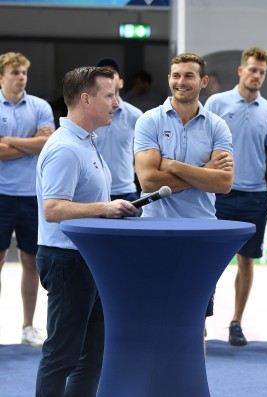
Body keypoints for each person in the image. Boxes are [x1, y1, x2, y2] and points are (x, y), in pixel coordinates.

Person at [35, 66, 138, 396]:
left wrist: (110, 210)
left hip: (89, 260)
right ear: (85, 99)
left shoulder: (86, 142)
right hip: (68, 261)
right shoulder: (65, 148)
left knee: (92, 357)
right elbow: (53, 209)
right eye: (110, 96)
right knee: (62, 356)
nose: (117, 103)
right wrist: (105, 208)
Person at [134, 53, 234, 327]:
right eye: (176, 75)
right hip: (156, 230)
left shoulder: (217, 126)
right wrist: (205, 170)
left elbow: (223, 183)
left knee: (195, 321)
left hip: (201, 233)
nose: (181, 82)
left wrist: (174, 166)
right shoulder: (149, 121)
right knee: (154, 316)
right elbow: (149, 182)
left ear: (203, 81)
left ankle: (190, 372)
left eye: (189, 76)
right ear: (169, 80)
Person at [205, 47, 267, 346]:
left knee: (247, 261)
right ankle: (201, 318)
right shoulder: (216, 102)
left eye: (261, 72)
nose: (257, 75)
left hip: (255, 198)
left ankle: (236, 321)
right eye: (252, 70)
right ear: (241, 71)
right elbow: (202, 144)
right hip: (220, 194)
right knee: (209, 262)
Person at [0, 51, 54, 347]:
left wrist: (9, 141)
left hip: (32, 195)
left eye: (23, 72)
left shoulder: (40, 106)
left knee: (30, 261)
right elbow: (37, 144)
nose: (21, 77)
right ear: (2, 77)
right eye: (15, 72)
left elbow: (47, 144)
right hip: (0, 194)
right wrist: (30, 144)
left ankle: (27, 326)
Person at [94, 57, 143, 202]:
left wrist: (133, 170)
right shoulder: (89, 114)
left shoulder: (135, 115)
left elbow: (147, 151)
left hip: (126, 192)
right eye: (103, 74)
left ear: (121, 82)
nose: (107, 76)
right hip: (95, 192)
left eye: (111, 73)